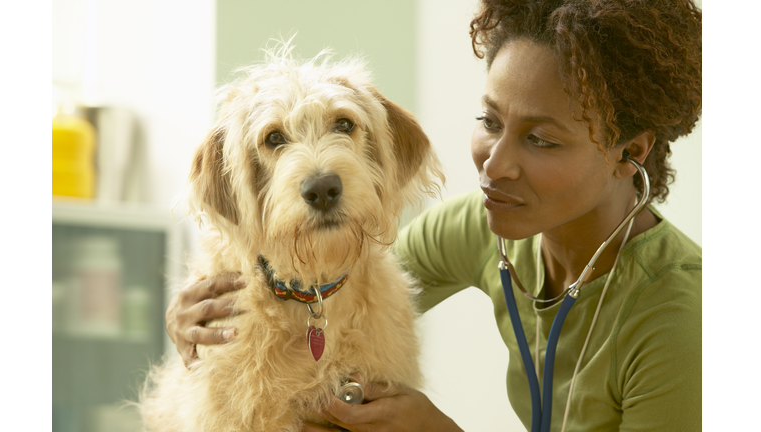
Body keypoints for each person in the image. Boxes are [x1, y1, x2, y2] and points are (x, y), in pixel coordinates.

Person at [165, 0, 702, 430]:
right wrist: (190, 325)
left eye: (540, 139)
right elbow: (344, 270)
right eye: (489, 120)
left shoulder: (681, 325)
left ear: (629, 153)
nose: (495, 164)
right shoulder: (487, 228)